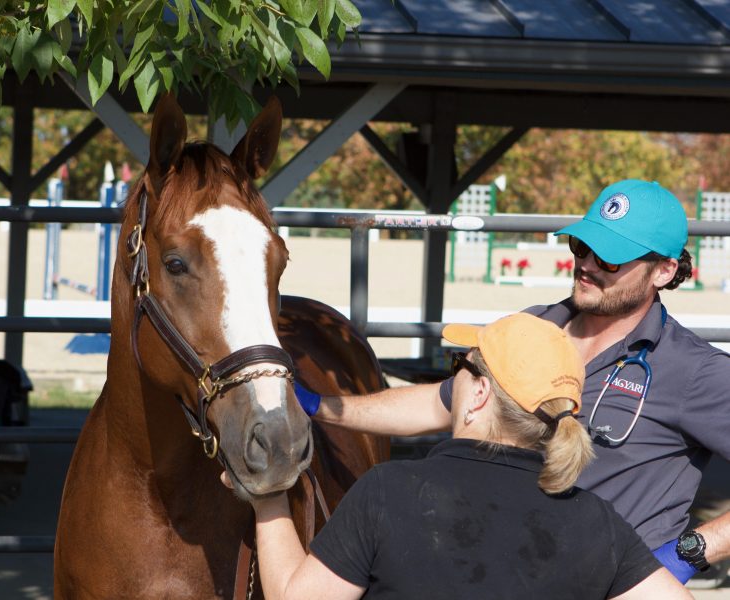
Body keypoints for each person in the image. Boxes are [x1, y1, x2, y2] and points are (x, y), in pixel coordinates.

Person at [295, 179, 730, 584]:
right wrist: (319, 406)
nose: (586, 265)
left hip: (608, 584)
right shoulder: (533, 326)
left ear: (663, 271)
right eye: (582, 246)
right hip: (496, 572)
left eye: (610, 257)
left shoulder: (694, 371)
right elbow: (439, 404)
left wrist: (686, 554)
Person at [228, 313, 690, 599]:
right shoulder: (596, 521)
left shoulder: (387, 493)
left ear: (479, 394)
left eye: (460, 366)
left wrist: (267, 499)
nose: (453, 381)